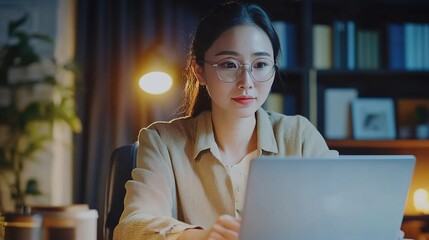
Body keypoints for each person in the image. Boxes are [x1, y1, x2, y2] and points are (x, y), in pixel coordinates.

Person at [113, 1, 338, 240]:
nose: (246, 82)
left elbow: (343, 210)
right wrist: (203, 236)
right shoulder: (162, 142)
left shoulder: (299, 135)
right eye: (229, 65)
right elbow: (131, 227)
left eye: (260, 65)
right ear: (199, 71)